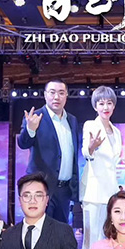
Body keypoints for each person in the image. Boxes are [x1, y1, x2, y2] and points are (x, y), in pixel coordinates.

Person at [17, 79, 80, 224]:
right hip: (41, 188)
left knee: (61, 232)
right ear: (45, 95)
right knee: (40, 230)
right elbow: (23, 143)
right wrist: (30, 129)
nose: (56, 97)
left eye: (61, 93)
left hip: (64, 190)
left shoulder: (72, 120)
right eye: (52, 92)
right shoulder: (35, 117)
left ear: (66, 96)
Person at [80, 86, 122, 249]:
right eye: (101, 103)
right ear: (95, 106)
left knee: (107, 237)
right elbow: (86, 151)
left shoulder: (117, 131)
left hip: (110, 191)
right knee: (91, 238)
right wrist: (91, 148)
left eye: (109, 103)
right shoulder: (90, 125)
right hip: (93, 190)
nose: (106, 107)